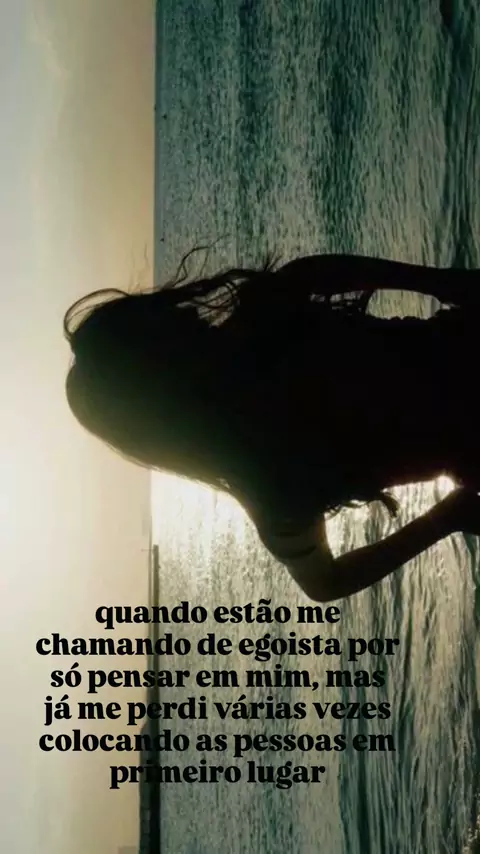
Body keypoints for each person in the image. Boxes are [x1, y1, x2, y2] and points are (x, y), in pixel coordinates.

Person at [64, 251, 480, 602]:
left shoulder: (268, 485)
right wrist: (441, 282)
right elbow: (323, 584)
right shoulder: (265, 315)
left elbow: (324, 583)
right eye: (157, 321)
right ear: (156, 368)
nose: (183, 308)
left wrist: (447, 518)